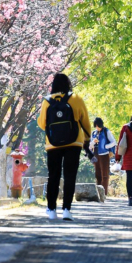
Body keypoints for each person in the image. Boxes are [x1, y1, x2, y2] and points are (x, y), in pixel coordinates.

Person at [37, 72, 92, 222]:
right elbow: (85, 121)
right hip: (74, 143)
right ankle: (67, 209)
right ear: (68, 84)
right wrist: (87, 139)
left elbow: (42, 124)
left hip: (53, 144)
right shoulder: (76, 99)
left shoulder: (47, 101)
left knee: (53, 176)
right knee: (70, 176)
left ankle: (51, 210)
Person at [90, 117, 115, 199]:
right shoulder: (94, 133)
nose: (97, 128)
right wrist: (93, 142)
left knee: (105, 174)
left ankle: (104, 193)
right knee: (98, 174)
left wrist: (105, 146)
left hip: (104, 154)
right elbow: (90, 145)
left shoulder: (106, 131)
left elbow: (113, 142)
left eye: (98, 126)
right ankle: (98, 193)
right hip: (96, 154)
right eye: (95, 126)